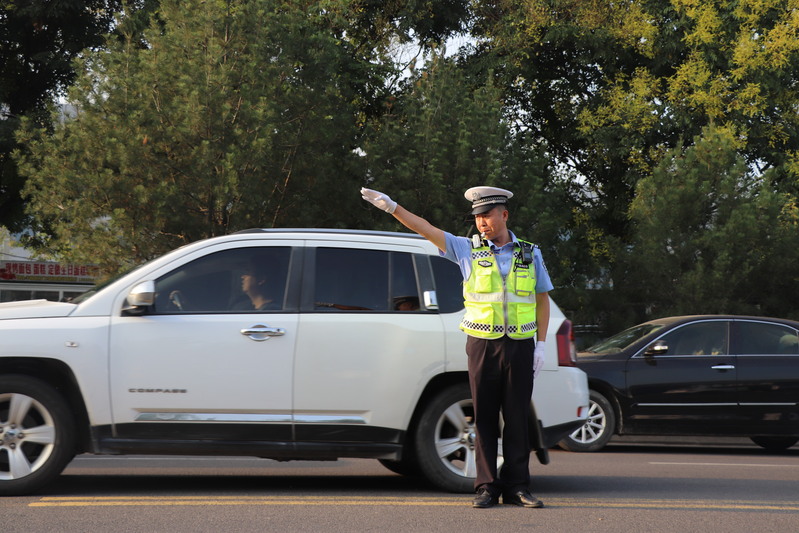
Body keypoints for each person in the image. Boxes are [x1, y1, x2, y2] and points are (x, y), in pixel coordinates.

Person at [361, 185, 552, 509]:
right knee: (485, 418)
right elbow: (426, 228)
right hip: (482, 345)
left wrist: (541, 346)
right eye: (477, 218)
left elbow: (542, 300)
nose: (482, 223)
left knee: (517, 419)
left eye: (487, 216)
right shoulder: (466, 249)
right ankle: (487, 487)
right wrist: (393, 207)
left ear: (504, 215)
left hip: (520, 345)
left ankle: (518, 486)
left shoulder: (530, 253)